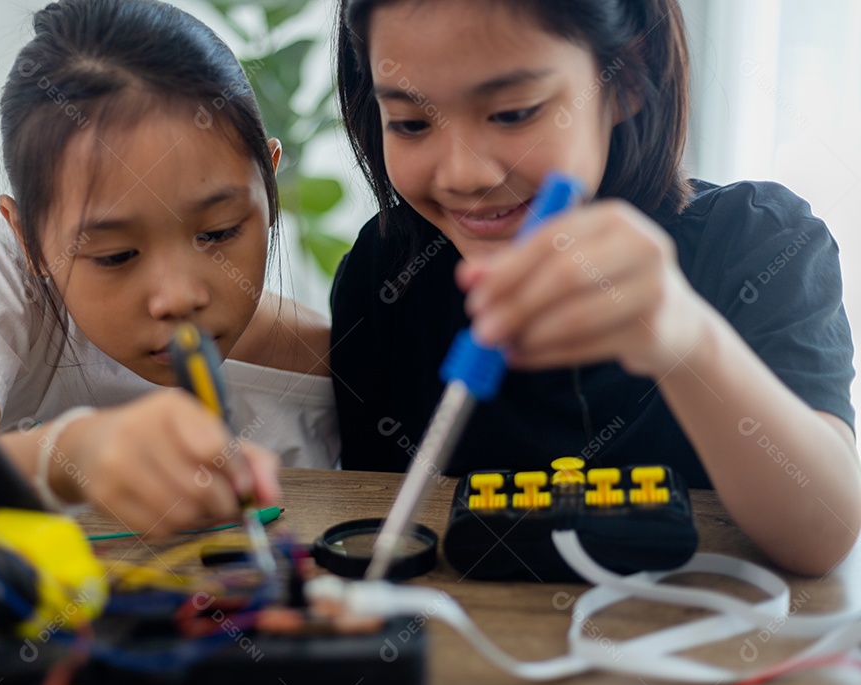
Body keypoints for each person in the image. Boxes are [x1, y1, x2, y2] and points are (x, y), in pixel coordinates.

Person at [331, 0, 859, 575]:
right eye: (410, 122)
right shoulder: (385, 273)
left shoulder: (760, 244)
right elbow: (371, 526)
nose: (465, 175)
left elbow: (824, 534)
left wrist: (689, 338)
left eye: (511, 113)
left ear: (627, 77)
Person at [0, 0, 339, 564]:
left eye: (219, 233)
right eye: (116, 255)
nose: (179, 298)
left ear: (269, 185)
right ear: (27, 239)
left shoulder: (327, 367)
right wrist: (72, 453)